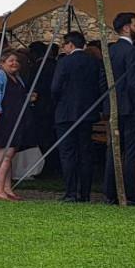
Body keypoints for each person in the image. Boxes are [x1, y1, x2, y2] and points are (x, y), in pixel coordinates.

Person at [101, 12, 135, 204]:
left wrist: (109, 102)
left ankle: (110, 191)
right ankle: (128, 192)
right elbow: (134, 83)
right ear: (127, 27)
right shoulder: (131, 51)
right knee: (131, 152)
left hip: (113, 106)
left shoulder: (109, 50)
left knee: (113, 149)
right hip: (130, 107)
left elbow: (103, 80)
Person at [50, 31, 98, 202]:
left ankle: (71, 191)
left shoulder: (64, 62)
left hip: (66, 112)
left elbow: (55, 87)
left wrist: (60, 101)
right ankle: (84, 192)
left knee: (68, 153)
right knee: (85, 153)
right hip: (87, 113)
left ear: (70, 45)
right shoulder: (93, 62)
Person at [0, 50, 34, 201]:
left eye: (16, 61)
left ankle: (7, 188)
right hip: (3, 118)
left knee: (8, 155)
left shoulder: (16, 77)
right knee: (4, 155)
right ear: (2, 62)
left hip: (14, 118)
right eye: (10, 60)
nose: (14, 63)